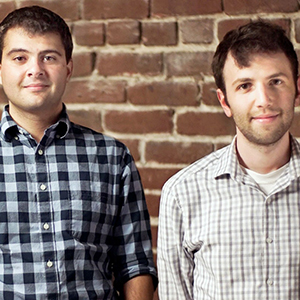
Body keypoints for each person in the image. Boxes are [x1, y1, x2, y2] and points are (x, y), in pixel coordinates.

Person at [0, 5, 157, 300]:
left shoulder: (113, 158)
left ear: (68, 68)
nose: (35, 69)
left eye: (49, 57)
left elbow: (135, 266)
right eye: (20, 58)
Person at [157, 20, 300, 299]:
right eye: (245, 85)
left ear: (296, 89)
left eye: (276, 81)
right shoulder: (182, 193)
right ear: (225, 102)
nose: (264, 100)